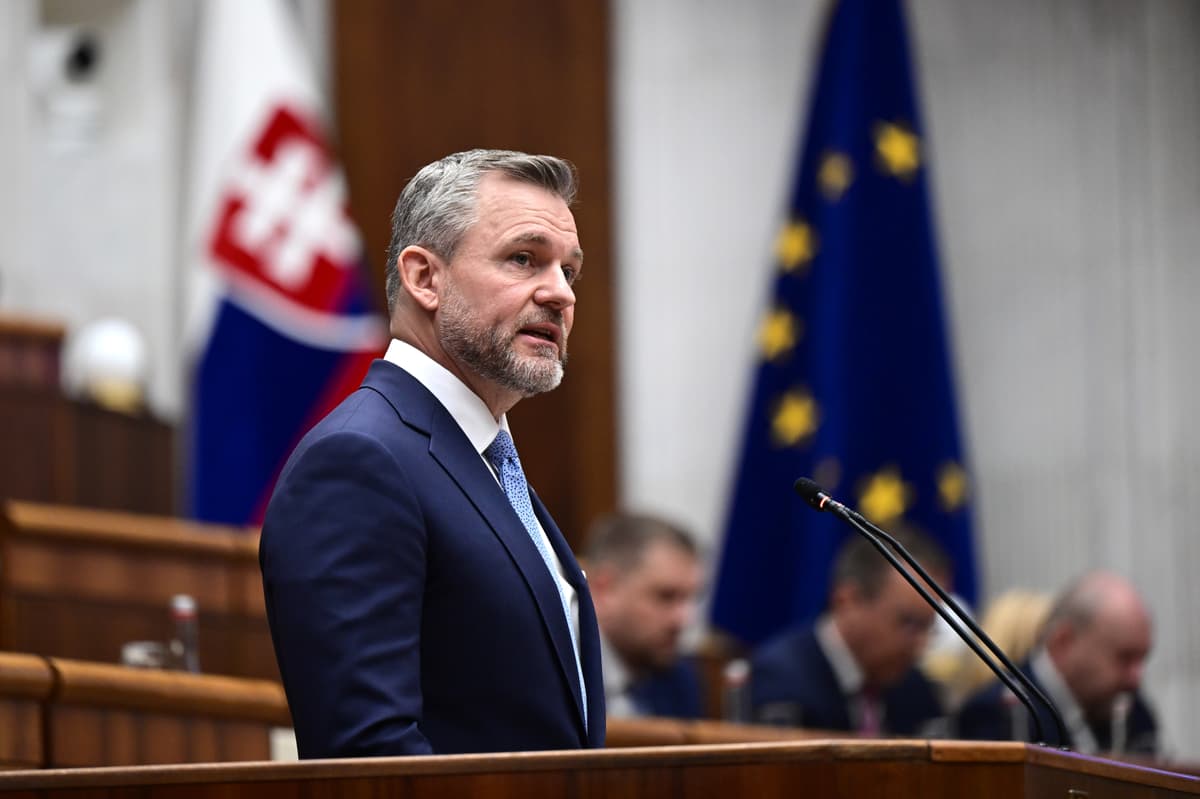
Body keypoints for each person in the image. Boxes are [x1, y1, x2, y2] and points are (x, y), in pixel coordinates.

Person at [259, 149, 605, 757]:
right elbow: (369, 755)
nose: (560, 294)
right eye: (523, 259)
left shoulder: (485, 458)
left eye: (568, 271)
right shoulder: (358, 460)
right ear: (424, 279)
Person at [750, 529, 949, 736]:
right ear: (848, 601)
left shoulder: (915, 688)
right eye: (908, 623)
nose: (921, 643)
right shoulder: (782, 681)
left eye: (929, 627)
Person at [955, 571, 1157, 755]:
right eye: (1124, 657)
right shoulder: (999, 714)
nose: (1136, 678)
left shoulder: (1132, 709)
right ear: (1063, 642)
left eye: (1142, 659)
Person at [585, 512, 705, 719]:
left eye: (689, 599)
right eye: (665, 597)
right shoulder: (554, 676)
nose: (682, 620)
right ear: (604, 590)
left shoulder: (678, 680)